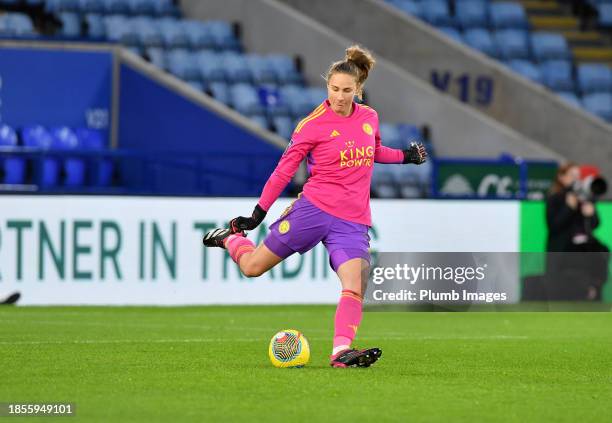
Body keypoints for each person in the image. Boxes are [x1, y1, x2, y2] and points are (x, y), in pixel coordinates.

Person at [203, 45, 427, 367]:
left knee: (356, 284)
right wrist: (257, 214)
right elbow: (283, 170)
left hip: (353, 219)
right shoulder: (312, 125)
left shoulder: (369, 118)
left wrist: (405, 156)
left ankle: (341, 352)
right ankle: (229, 239)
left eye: (346, 90)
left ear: (357, 89)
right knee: (252, 267)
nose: (339, 96)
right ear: (327, 87)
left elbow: (374, 151)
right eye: (334, 89)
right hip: (313, 210)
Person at [545, 162, 609, 300]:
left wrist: (590, 213)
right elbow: (554, 226)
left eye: (578, 176)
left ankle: (594, 289)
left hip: (583, 249)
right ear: (561, 177)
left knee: (603, 251)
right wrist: (568, 208)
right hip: (563, 250)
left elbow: (594, 224)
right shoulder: (554, 198)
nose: (576, 179)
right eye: (572, 175)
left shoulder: (585, 197)